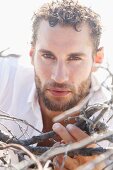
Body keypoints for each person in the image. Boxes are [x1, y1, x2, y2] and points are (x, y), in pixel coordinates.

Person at [0, 0, 111, 169]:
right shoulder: (6, 78)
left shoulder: (109, 122)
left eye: (74, 58)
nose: (59, 77)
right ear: (32, 54)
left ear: (97, 59)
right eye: (48, 56)